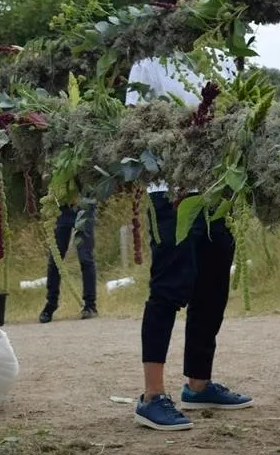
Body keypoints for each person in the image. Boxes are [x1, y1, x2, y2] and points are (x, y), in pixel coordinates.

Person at [126, 53, 252, 431]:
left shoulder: (223, 59)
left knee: (212, 288)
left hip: (217, 189)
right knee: (170, 286)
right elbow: (137, 123)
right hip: (171, 188)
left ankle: (198, 384)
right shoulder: (149, 59)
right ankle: (151, 397)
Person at [39, 201, 98, 323]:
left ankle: (90, 305)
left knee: (85, 258)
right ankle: (51, 303)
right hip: (62, 208)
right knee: (55, 258)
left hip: (84, 207)